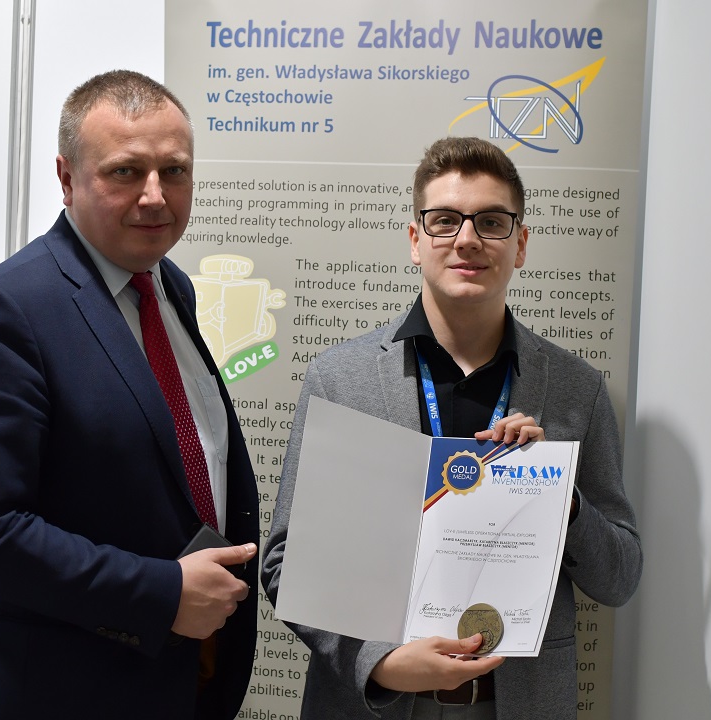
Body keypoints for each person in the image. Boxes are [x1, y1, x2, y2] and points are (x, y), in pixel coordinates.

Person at [261, 137, 642, 720]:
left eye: (491, 222)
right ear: (416, 240)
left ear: (520, 244)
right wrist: (379, 662)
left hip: (516, 704)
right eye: (445, 221)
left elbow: (619, 578)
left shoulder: (576, 389)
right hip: (376, 701)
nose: (467, 239)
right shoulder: (340, 379)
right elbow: (287, 562)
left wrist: (559, 500)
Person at [0, 70, 259, 720]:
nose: (155, 196)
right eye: (125, 172)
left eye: (175, 171)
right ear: (67, 177)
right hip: (51, 691)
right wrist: (161, 593)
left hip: (166, 681)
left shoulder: (168, 286)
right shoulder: (6, 312)